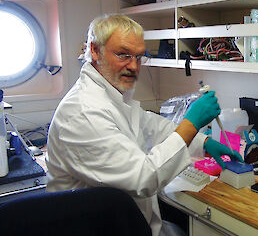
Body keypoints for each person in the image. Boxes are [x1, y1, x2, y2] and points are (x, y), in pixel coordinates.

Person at [46, 14, 243, 236]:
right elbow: (143, 178)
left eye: (139, 57)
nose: (133, 66)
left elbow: (150, 125)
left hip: (126, 221)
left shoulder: (111, 95)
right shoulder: (83, 111)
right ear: (95, 50)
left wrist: (203, 141)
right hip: (98, 228)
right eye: (123, 54)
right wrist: (191, 122)